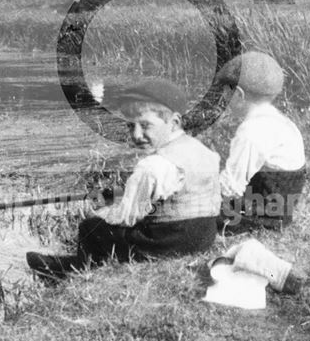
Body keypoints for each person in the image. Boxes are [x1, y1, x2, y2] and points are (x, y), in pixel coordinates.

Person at [26, 78, 221, 280]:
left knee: (91, 228)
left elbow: (126, 217)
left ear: (174, 122)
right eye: (130, 126)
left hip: (167, 243)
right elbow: (171, 194)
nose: (136, 135)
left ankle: (80, 271)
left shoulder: (152, 165)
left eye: (145, 125)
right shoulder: (202, 151)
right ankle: (85, 262)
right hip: (203, 236)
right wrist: (119, 194)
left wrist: (102, 209)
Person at [216, 51, 306, 232]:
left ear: (239, 95)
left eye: (226, 93)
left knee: (192, 214)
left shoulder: (251, 131)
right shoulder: (278, 120)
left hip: (263, 213)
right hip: (280, 206)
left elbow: (231, 186)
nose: (224, 99)